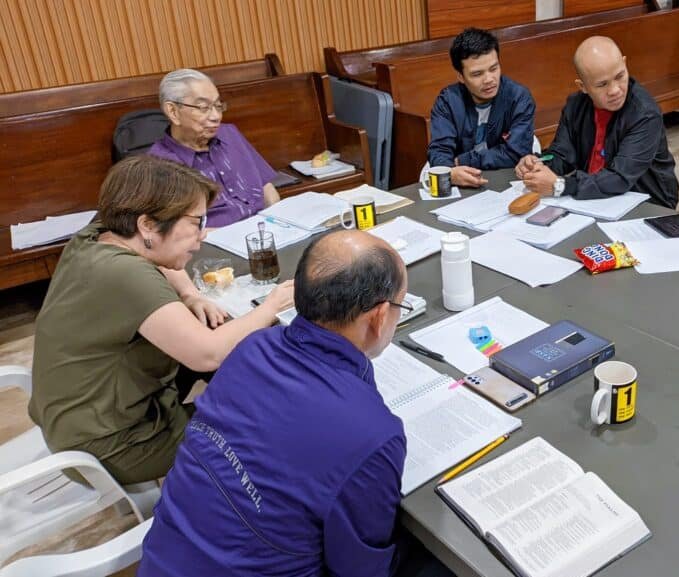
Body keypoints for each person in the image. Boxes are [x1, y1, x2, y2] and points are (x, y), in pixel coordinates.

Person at [139, 230, 452, 577]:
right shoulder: (373, 435)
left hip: (164, 558)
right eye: (399, 304)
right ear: (379, 317)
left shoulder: (252, 348)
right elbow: (360, 569)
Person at [29, 156, 293, 485]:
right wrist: (272, 305)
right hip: (112, 444)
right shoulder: (124, 274)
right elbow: (206, 353)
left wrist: (189, 295)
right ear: (148, 225)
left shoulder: (99, 236)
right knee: (268, 420)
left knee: (232, 354)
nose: (201, 236)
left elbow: (164, 261)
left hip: (76, 414)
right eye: (196, 222)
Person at [515, 36, 679, 208]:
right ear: (583, 87)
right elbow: (562, 155)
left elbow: (620, 177)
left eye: (620, 76)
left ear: (625, 63)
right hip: (594, 197)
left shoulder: (645, 114)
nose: (615, 90)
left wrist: (560, 185)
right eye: (602, 85)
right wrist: (538, 164)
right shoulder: (575, 105)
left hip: (647, 202)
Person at [148, 68, 281, 227]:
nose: (216, 116)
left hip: (265, 231)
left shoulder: (229, 133)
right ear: (173, 112)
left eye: (218, 106)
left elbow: (267, 188)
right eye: (203, 107)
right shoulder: (159, 165)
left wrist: (277, 222)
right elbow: (180, 231)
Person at [427, 27, 536, 189]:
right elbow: (439, 151)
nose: (489, 79)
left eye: (494, 69)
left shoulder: (518, 97)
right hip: (461, 185)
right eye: (477, 74)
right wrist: (450, 172)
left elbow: (515, 152)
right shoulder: (448, 101)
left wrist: (461, 161)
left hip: (504, 181)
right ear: (460, 77)